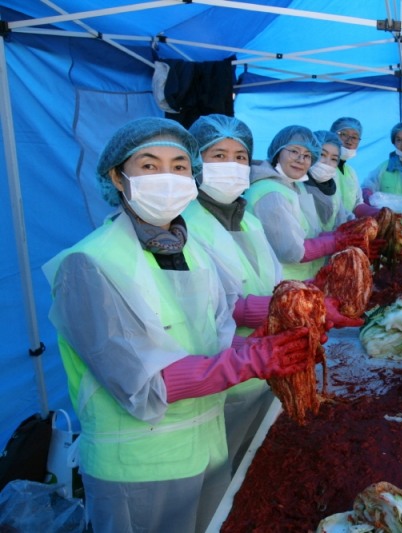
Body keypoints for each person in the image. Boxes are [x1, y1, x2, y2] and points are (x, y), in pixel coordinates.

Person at [42, 117, 312, 533]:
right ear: (116, 176)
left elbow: (217, 336)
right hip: (141, 466)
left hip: (207, 447)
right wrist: (251, 361)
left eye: (179, 166)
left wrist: (270, 345)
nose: (167, 177)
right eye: (150, 166)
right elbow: (142, 384)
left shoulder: (191, 251)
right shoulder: (89, 265)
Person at [183, 114, 284, 475]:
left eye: (240, 157)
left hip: (264, 365)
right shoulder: (183, 224)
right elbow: (215, 306)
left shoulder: (248, 219)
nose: (231, 165)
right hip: (223, 376)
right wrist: (287, 310)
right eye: (218, 156)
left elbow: (272, 281)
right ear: (194, 162)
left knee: (254, 464)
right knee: (227, 477)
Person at [246, 125, 362, 280]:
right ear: (278, 151)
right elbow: (291, 251)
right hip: (279, 283)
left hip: (303, 280)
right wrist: (336, 240)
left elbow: (310, 233)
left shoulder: (295, 186)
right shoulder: (269, 192)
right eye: (294, 151)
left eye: (307, 155)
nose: (300, 160)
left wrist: (345, 234)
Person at [308, 130, 353, 232]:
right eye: (322, 154)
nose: (327, 162)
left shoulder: (332, 188)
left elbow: (340, 215)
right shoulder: (297, 187)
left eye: (333, 159)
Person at [331, 117, 365, 214]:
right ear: (331, 135)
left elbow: (358, 203)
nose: (349, 141)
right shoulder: (322, 169)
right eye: (343, 134)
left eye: (354, 137)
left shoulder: (351, 172)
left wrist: (375, 212)